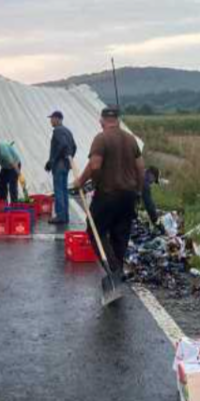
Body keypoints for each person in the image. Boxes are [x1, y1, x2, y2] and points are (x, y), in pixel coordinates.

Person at [72, 108, 144, 276]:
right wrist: (138, 192)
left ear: (101, 121)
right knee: (120, 234)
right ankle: (117, 270)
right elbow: (141, 169)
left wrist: (82, 182)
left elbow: (95, 165)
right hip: (129, 195)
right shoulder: (131, 139)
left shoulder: (101, 138)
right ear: (118, 120)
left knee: (95, 229)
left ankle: (112, 268)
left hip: (108, 193)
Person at [44, 110, 77, 225]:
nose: (51, 121)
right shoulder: (68, 131)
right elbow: (74, 146)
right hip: (66, 165)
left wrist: (52, 161)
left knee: (58, 190)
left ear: (58, 119)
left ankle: (60, 216)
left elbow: (63, 145)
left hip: (58, 165)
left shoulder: (57, 131)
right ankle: (65, 216)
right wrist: (69, 159)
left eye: (52, 119)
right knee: (64, 190)